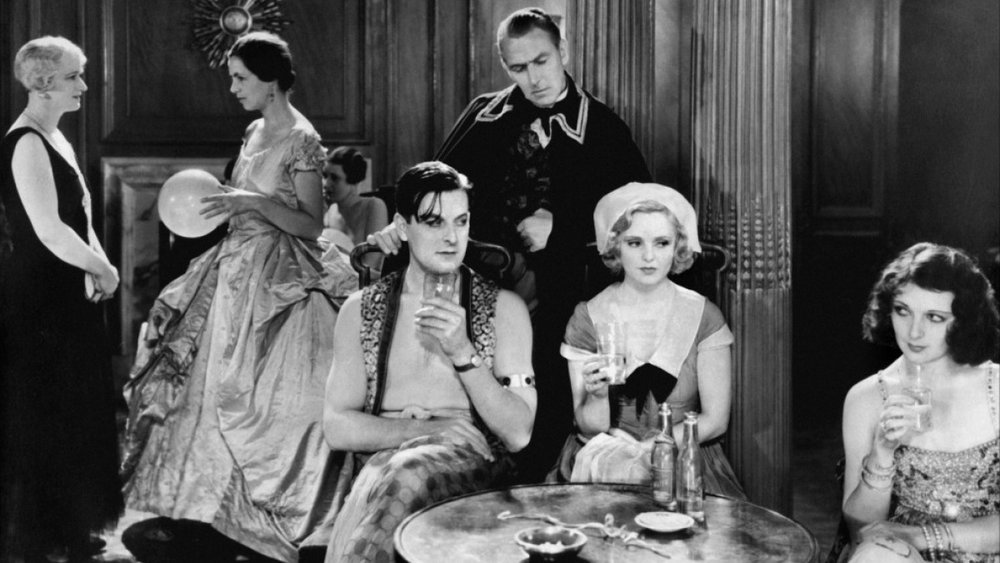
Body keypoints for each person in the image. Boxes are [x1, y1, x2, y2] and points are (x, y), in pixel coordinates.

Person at [369, 7, 652, 481]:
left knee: (546, 395)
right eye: (518, 68)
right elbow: (434, 187)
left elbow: (638, 220)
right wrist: (400, 224)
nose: (533, 78)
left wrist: (562, 229)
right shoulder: (484, 114)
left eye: (542, 61)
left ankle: (532, 484)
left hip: (564, 290)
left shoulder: (603, 128)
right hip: (479, 285)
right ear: (505, 65)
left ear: (563, 52)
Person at [118, 31, 357, 563]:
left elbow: (312, 224)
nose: (232, 88)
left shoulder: (303, 139)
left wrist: (253, 201)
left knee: (263, 401)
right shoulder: (253, 130)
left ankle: (267, 520)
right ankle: (212, 514)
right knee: (209, 394)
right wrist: (234, 204)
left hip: (280, 279)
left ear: (271, 82)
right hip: (233, 270)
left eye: (240, 78)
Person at [323, 161, 537, 562]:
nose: (451, 237)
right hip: (384, 468)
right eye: (434, 222)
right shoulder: (361, 309)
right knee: (404, 470)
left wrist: (464, 354)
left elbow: (518, 433)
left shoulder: (503, 309)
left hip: (474, 470)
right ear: (402, 228)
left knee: (409, 472)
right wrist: (427, 431)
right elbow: (337, 426)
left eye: (461, 221)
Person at [0, 36, 123, 563]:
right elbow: (48, 230)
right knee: (48, 413)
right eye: (74, 76)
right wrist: (103, 268)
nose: (85, 86)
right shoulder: (26, 142)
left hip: (67, 291)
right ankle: (43, 535)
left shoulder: (56, 137)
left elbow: (81, 218)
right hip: (39, 297)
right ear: (43, 84)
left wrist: (96, 264)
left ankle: (71, 527)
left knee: (75, 411)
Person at [549, 182, 745, 498]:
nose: (649, 256)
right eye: (635, 243)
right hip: (601, 463)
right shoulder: (588, 317)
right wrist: (597, 396)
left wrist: (655, 450)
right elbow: (588, 426)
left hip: (681, 459)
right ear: (615, 246)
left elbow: (716, 420)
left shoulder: (703, 316)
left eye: (662, 243)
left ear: (678, 246)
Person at [839, 243, 999, 563]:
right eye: (903, 311)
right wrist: (882, 454)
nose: (914, 331)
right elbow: (861, 531)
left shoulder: (997, 389)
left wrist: (922, 536)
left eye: (935, 317)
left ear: (964, 319)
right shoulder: (866, 398)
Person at [321, 146, 386, 247]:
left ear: (353, 179)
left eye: (334, 178)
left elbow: (373, 255)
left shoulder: (373, 206)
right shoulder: (329, 212)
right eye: (325, 176)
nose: (326, 184)